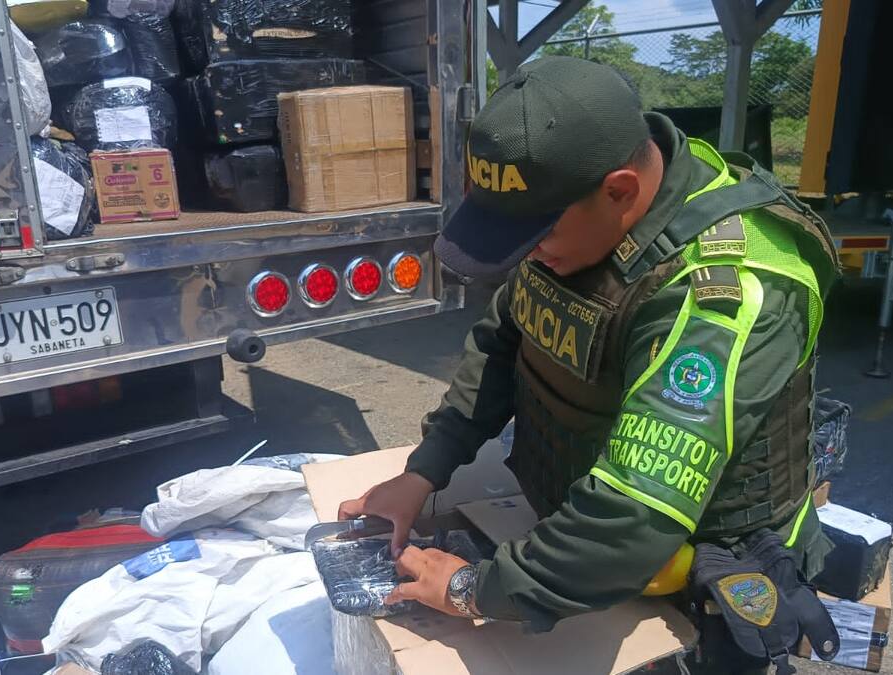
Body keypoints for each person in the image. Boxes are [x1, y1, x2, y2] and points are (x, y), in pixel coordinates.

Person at [338, 56, 839, 673]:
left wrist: (472, 590)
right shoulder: (575, 222)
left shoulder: (725, 291)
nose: (527, 256)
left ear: (620, 190)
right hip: (580, 546)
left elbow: (633, 513)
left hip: (696, 572)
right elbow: (503, 341)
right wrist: (425, 470)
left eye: (536, 237)